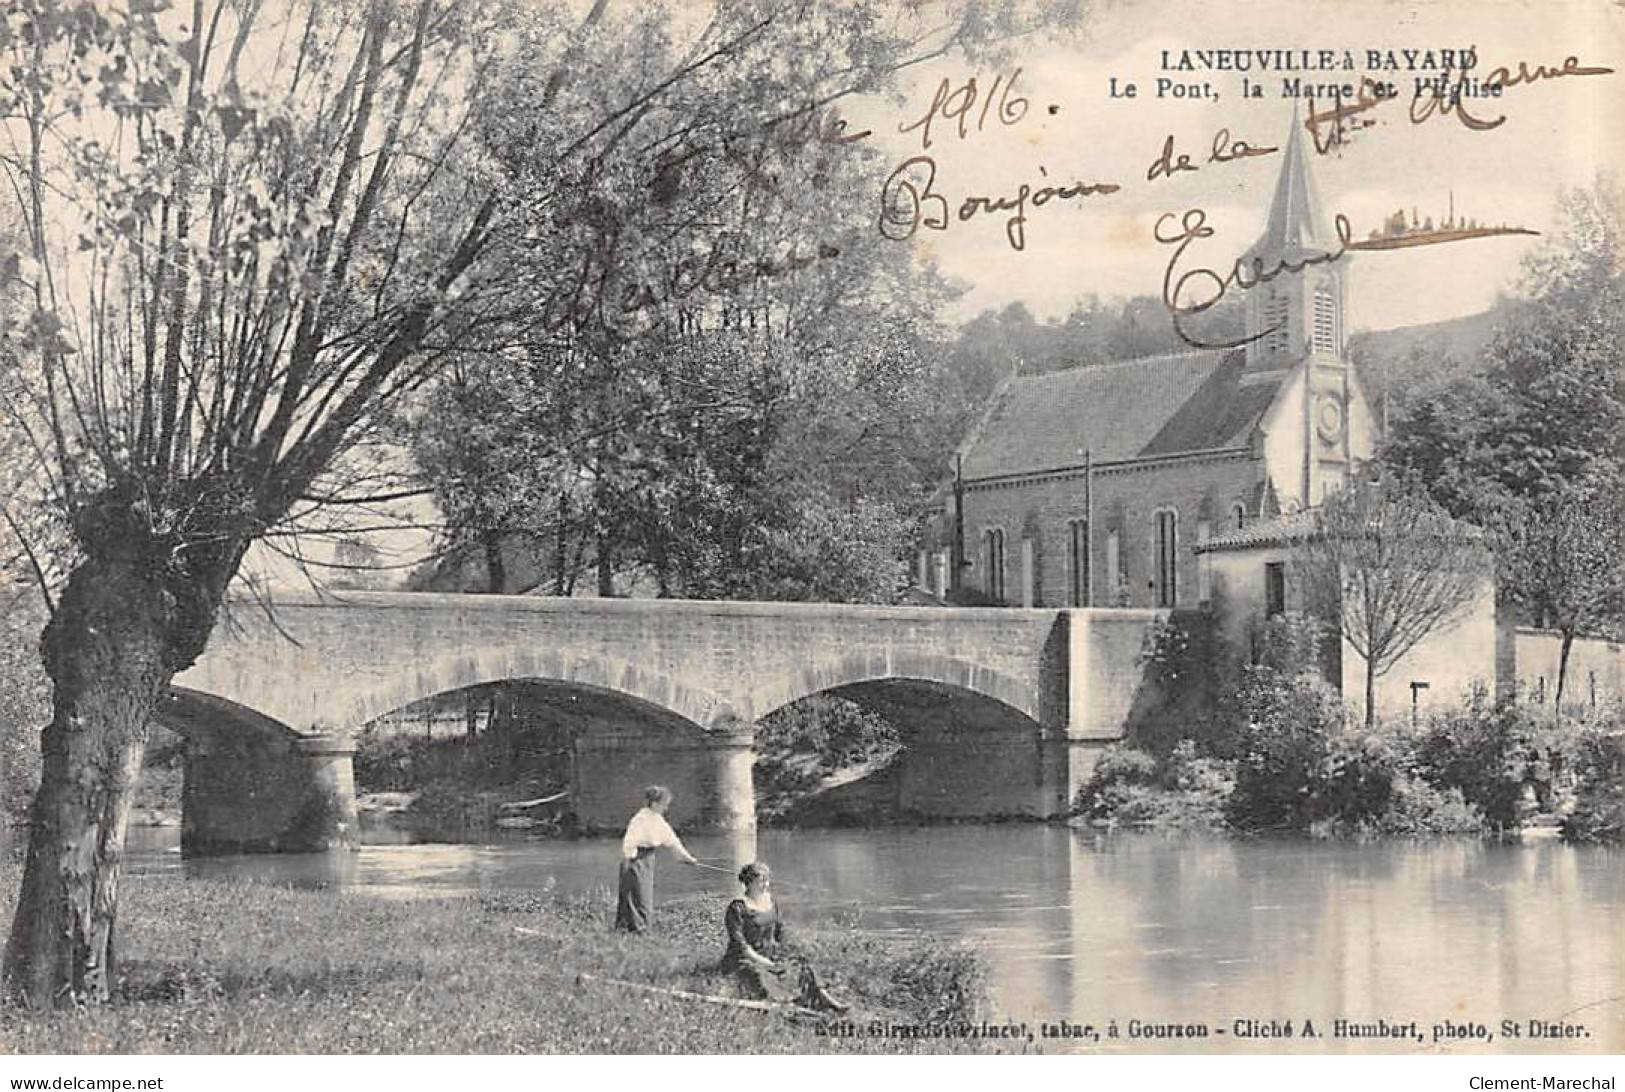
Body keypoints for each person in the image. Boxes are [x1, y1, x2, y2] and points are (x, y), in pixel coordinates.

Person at [721, 862, 848, 1013]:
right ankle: (784, 1007)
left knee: (801, 962)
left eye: (767, 880)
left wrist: (783, 953)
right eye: (761, 881)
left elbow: (779, 933)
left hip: (768, 952)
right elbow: (739, 944)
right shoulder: (737, 907)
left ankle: (822, 998)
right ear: (749, 883)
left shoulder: (771, 902)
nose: (766, 885)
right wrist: (763, 961)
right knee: (758, 976)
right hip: (742, 959)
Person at [615, 785, 700, 933]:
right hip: (635, 859)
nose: (666, 808)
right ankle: (633, 930)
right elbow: (629, 842)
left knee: (644, 896)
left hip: (648, 858)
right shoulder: (640, 819)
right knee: (636, 895)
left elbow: (672, 841)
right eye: (664, 804)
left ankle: (640, 929)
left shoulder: (657, 819)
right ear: (654, 804)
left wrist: (687, 858)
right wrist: (631, 861)